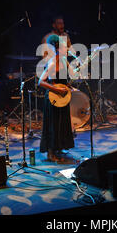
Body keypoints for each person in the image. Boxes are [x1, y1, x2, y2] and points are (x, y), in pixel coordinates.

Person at [38, 34, 77, 163]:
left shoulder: (64, 61)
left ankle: (59, 147)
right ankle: (50, 152)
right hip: (53, 97)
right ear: (58, 48)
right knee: (53, 124)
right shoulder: (53, 62)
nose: (67, 49)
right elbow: (41, 82)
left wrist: (69, 87)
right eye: (65, 47)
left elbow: (72, 76)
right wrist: (57, 89)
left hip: (62, 97)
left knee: (62, 123)